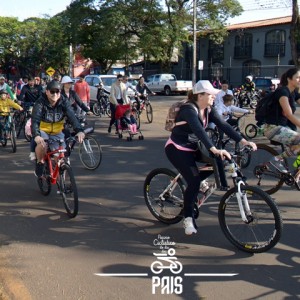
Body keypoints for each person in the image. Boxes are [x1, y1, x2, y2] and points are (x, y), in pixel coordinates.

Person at [164, 80, 257, 235]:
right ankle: (187, 218)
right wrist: (214, 148)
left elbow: (224, 125)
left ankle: (197, 181)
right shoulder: (188, 109)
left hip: (194, 147)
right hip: (177, 148)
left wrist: (243, 140)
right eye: (211, 95)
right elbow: (199, 130)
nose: (215, 97)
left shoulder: (208, 109)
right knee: (193, 181)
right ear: (200, 95)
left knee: (217, 162)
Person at [31, 80, 85, 177]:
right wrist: (37, 135)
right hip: (43, 130)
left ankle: (61, 183)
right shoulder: (40, 103)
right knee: (42, 145)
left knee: (60, 157)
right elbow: (35, 121)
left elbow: (72, 117)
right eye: (52, 91)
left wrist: (79, 131)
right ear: (47, 92)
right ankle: (40, 162)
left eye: (57, 92)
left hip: (57, 132)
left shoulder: (64, 101)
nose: (55, 94)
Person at [263, 68, 300, 173]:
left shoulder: (294, 92)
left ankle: (296, 175)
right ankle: (276, 160)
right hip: (273, 128)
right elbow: (288, 114)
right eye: (297, 78)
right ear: (289, 79)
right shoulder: (283, 92)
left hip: (284, 128)